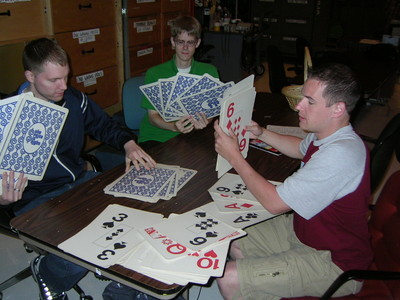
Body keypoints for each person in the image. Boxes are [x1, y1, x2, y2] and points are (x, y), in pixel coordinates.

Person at [0, 37, 156, 300]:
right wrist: (2, 200)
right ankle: (47, 274)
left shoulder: (73, 99)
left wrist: (128, 143)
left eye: (66, 77)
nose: (65, 86)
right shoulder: (9, 116)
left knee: (140, 211)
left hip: (79, 180)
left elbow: (104, 125)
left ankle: (124, 282)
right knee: (78, 250)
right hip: (35, 198)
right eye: (54, 80)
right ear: (31, 76)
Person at [213, 63, 373, 299]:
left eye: (310, 101)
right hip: (304, 233)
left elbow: (275, 203)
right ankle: (266, 285)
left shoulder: (341, 154)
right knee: (235, 241)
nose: (299, 105)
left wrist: (234, 156)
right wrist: (261, 132)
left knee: (228, 279)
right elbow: (299, 148)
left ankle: (259, 283)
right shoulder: (329, 135)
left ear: (337, 109)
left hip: (333, 262)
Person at [138, 15, 219, 150]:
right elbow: (152, 117)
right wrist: (174, 127)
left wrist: (206, 121)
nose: (185, 48)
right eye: (181, 42)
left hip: (194, 136)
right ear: (173, 42)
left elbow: (212, 110)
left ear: (198, 43)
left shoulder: (209, 72)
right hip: (158, 136)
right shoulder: (155, 73)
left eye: (190, 42)